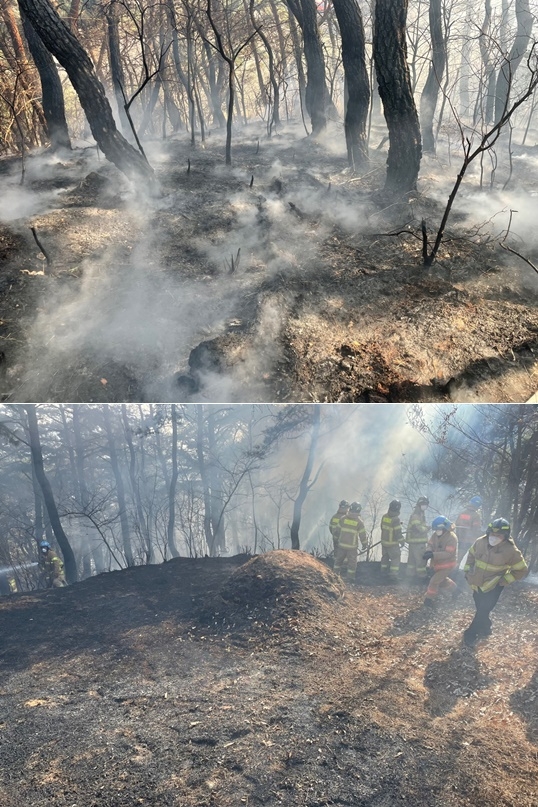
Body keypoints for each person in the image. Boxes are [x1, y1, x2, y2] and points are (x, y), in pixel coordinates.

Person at [462, 518, 528, 646]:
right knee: (481, 607)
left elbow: (521, 570)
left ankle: (471, 633)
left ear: (505, 536)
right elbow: (470, 555)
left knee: (483, 609)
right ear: (488, 532)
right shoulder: (480, 542)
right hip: (477, 583)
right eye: (492, 534)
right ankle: (486, 627)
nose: (494, 537)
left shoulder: (511, 551)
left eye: (498, 535)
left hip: (494, 587)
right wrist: (467, 570)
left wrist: (504, 581)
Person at [423, 516, 458, 607]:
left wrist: (433, 555)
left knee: (434, 581)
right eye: (436, 530)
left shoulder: (452, 538)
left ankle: (429, 599)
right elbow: (430, 544)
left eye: (438, 530)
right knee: (441, 581)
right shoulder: (435, 535)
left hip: (447, 565)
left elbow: (448, 554)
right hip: (437, 564)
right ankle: (456, 590)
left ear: (444, 528)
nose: (437, 532)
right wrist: (428, 551)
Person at [334, 501, 368, 583]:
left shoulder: (343, 519)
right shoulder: (359, 522)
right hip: (352, 547)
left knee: (338, 561)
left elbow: (337, 531)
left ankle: (334, 576)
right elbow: (362, 535)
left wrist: (336, 540)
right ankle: (350, 578)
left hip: (341, 545)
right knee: (352, 563)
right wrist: (364, 544)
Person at [406, 496, 429, 580]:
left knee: (411, 561)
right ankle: (422, 577)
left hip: (413, 542)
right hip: (418, 543)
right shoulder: (416, 515)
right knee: (421, 561)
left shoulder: (419, 514)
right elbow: (419, 528)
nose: (425, 506)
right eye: (423, 504)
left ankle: (410, 576)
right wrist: (427, 528)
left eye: (426, 504)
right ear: (419, 505)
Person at [455, 496, 483, 563]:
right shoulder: (476, 515)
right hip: (470, 541)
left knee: (458, 557)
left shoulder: (462, 513)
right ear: (477, 506)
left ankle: (454, 571)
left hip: (460, 539)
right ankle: (469, 571)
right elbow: (476, 529)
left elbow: (457, 525)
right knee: (472, 557)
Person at [380, 499, 403, 578]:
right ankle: (393, 574)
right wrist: (402, 541)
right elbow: (398, 533)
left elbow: (382, 527)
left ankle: (383, 571)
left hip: (384, 542)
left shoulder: (384, 516)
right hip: (392, 544)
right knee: (395, 558)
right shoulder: (396, 519)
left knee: (385, 557)